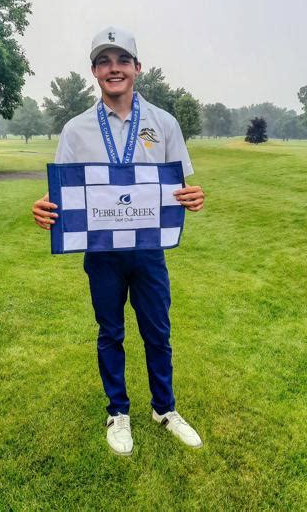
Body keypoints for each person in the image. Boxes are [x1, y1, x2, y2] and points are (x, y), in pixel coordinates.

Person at [32, 26, 205, 456]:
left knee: (158, 332)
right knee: (110, 331)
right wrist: (45, 208)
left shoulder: (163, 123)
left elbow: (177, 187)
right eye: (105, 62)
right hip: (102, 252)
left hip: (148, 250)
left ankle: (164, 409)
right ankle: (118, 412)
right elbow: (64, 194)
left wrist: (192, 196)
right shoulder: (76, 129)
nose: (114, 69)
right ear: (94, 71)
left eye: (122, 60)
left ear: (137, 68)